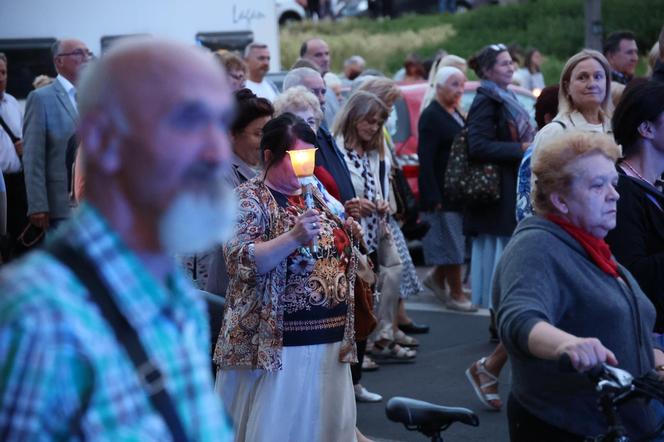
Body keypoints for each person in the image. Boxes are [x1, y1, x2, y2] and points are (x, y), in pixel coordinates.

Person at [0, 38, 235, 440]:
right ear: (105, 141)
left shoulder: (178, 297)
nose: (216, 151)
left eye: (220, 123)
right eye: (187, 121)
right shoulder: (39, 317)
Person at [497, 131, 660, 440]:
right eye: (598, 186)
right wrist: (566, 344)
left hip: (624, 419)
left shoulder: (592, 248)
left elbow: (624, 331)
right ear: (560, 199)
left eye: (614, 183)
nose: (614, 195)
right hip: (568, 426)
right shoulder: (536, 246)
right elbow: (518, 319)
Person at [215, 113, 360, 441]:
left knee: (324, 424)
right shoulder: (247, 198)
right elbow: (240, 260)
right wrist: (292, 238)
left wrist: (350, 232)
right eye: (297, 158)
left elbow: (335, 238)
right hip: (277, 343)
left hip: (327, 334)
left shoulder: (315, 194)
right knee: (282, 424)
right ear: (269, 157)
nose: (305, 167)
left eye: (310, 157)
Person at [463, 43, 535, 412]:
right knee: (505, 273)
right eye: (504, 64)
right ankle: (499, 336)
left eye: (511, 62)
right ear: (488, 70)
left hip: (510, 195)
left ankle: (498, 348)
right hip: (498, 199)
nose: (510, 68)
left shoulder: (503, 96)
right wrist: (520, 147)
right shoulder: (486, 100)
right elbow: (478, 146)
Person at [516, 49, 613, 222]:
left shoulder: (617, 128)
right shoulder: (555, 132)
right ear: (567, 87)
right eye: (582, 77)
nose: (592, 83)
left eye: (598, 76)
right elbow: (539, 198)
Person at [195, 88, 274, 294]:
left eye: (269, 133)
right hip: (226, 288)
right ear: (231, 134)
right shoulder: (219, 173)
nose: (266, 141)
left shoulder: (256, 168)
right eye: (258, 134)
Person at [606, 82, 664, 332]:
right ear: (646, 128)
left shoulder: (655, 183)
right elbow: (632, 273)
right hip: (648, 336)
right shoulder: (620, 192)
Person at [418, 66, 474, 311]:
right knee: (452, 244)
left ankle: (437, 278)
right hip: (442, 189)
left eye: (462, 85)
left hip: (458, 189)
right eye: (454, 84)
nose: (459, 90)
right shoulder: (432, 115)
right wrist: (431, 194)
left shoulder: (456, 112)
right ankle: (456, 293)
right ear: (438, 87)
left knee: (456, 241)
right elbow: (426, 158)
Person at [23, 39, 92, 232]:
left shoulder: (94, 96)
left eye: (88, 53)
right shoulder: (41, 99)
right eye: (79, 53)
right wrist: (38, 204)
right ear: (58, 61)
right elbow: (33, 156)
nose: (86, 58)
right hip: (60, 207)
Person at [283, 67, 357, 204]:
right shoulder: (285, 153)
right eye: (314, 92)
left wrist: (346, 211)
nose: (322, 99)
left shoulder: (322, 133)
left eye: (323, 91)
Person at [0, 52, 27, 260]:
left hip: (17, 182)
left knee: (19, 236)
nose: (1, 77)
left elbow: (21, 134)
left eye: (3, 72)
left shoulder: (12, 103)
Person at [300, 38, 340, 127]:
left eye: (327, 54)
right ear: (303, 59)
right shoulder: (299, 93)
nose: (325, 59)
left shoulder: (329, 90)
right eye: (318, 55)